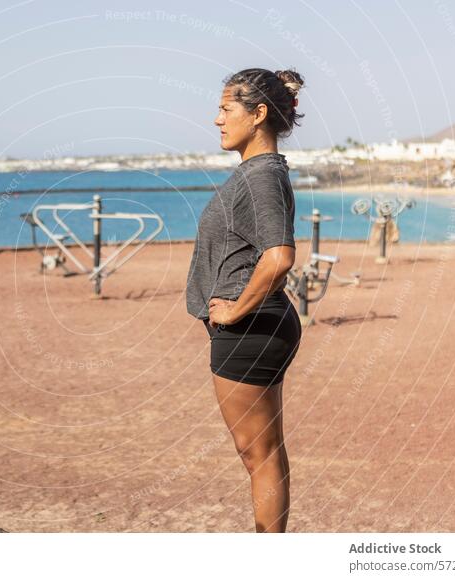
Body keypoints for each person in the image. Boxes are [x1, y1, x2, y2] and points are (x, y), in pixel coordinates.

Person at [185, 68, 304, 533]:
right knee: (262, 451)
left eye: (225, 109)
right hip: (255, 326)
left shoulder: (261, 177)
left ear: (257, 115)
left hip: (249, 327)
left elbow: (279, 258)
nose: (217, 119)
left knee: (259, 454)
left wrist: (234, 309)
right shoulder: (259, 173)